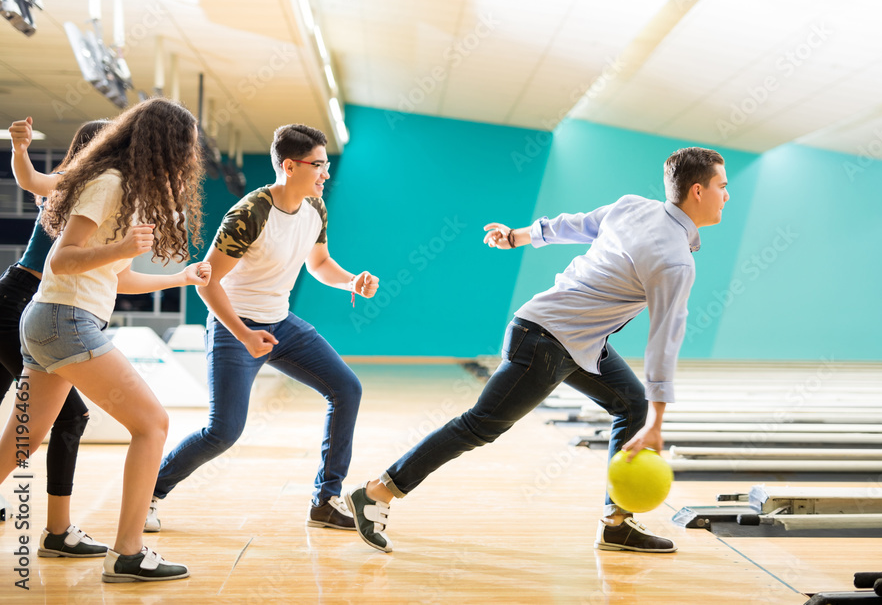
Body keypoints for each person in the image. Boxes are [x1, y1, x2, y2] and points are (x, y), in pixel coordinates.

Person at [345, 146, 730, 554]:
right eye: (722, 186)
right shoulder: (674, 260)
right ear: (697, 191)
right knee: (480, 425)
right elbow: (664, 340)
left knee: (630, 403)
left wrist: (516, 237)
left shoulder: (632, 207)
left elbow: (572, 226)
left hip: (566, 338)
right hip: (546, 342)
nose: (727, 195)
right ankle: (377, 492)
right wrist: (658, 421)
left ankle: (616, 524)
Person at [0, 98, 212, 582]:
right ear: (163, 145)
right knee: (153, 424)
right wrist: (120, 247)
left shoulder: (125, 190)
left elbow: (118, 276)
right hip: (64, 321)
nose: (188, 159)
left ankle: (119, 550)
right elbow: (62, 258)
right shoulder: (110, 184)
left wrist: (180, 278)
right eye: (186, 148)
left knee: (23, 438)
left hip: (51, 322)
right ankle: (129, 554)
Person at [149, 124, 379, 534]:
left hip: (281, 323)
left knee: (347, 389)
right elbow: (206, 281)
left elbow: (320, 263)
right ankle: (148, 493)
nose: (326, 173)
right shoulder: (249, 213)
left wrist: (351, 282)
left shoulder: (315, 208)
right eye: (319, 165)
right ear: (290, 166)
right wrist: (243, 334)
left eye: (326, 165)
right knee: (223, 432)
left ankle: (325, 500)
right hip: (233, 326)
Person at [1, 118, 108, 559]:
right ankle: (58, 532)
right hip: (21, 304)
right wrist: (21, 147)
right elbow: (29, 178)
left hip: (18, 301)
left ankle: (58, 532)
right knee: (70, 417)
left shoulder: (97, 192)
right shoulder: (78, 183)